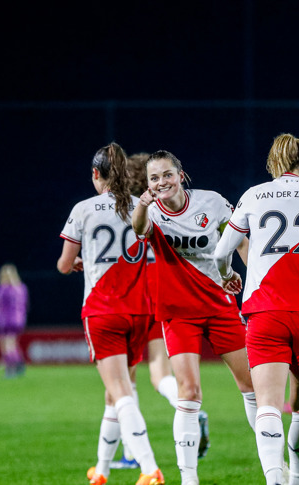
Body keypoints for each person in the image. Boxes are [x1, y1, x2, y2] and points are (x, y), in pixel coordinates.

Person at [213, 133, 299, 485]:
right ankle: (297, 482)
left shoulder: (253, 195)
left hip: (266, 311)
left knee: (268, 404)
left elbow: (220, 253)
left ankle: (275, 479)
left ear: (274, 164)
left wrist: (228, 276)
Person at [124, 149, 255, 485]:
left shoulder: (211, 202)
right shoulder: (150, 211)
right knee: (189, 390)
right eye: (154, 178)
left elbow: (238, 237)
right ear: (149, 185)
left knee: (253, 385)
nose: (161, 182)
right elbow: (139, 229)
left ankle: (276, 468)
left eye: (167, 174)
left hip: (219, 306)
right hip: (178, 313)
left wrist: (252, 273)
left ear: (180, 175)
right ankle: (189, 479)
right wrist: (141, 203)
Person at [57, 142, 164, 485]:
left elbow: (62, 264)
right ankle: (101, 471)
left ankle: (149, 469)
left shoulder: (84, 208)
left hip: (104, 310)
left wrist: (77, 262)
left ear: (95, 174)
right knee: (114, 393)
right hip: (140, 310)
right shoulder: (143, 207)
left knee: (120, 390)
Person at [109, 152, 191, 470]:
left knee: (123, 381)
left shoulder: (122, 211)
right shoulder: (165, 207)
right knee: (160, 374)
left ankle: (132, 452)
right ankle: (186, 406)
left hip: (130, 299)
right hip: (161, 295)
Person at [0, 263, 28, 378]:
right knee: (12, 344)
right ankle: (18, 364)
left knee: (8, 345)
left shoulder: (2, 289)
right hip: (19, 320)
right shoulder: (21, 288)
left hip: (6, 320)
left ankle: (11, 367)